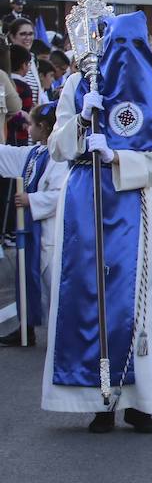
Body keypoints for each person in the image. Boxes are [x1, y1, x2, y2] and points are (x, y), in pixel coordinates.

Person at [44, 10, 152, 433]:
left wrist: (117, 156)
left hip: (129, 201)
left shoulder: (148, 89)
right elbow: (56, 148)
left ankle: (139, 399)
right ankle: (99, 399)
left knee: (132, 306)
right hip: (84, 197)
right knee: (86, 295)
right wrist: (82, 119)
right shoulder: (77, 84)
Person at [0, 102, 67, 346]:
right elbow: (9, 156)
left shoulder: (59, 158)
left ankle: (59, 334)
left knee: (51, 281)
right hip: (30, 227)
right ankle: (25, 326)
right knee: (25, 275)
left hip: (49, 229)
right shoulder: (36, 153)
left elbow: (62, 193)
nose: (28, 129)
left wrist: (32, 199)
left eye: (31, 125)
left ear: (43, 127)